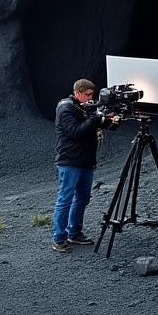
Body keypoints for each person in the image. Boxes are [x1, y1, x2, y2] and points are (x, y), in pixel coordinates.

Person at [51, 79, 118, 252]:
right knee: (65, 199)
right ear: (78, 92)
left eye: (92, 95)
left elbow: (97, 123)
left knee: (82, 198)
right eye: (88, 95)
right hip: (70, 161)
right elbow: (76, 131)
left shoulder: (84, 107)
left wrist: (110, 121)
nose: (91, 98)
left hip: (85, 161)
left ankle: (74, 233)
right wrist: (96, 117)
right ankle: (59, 238)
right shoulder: (65, 108)